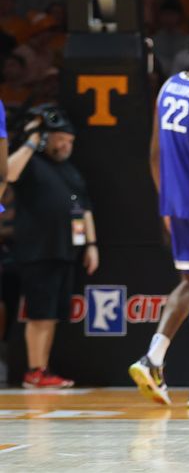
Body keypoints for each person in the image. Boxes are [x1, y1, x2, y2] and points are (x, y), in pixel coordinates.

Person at [128, 27, 189, 408]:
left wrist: (166, 203)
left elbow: (154, 153)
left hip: (174, 202)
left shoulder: (168, 86)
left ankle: (152, 357)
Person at [9, 106, 97, 388]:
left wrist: (91, 245)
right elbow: (8, 174)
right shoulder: (31, 162)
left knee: (53, 315)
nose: (66, 146)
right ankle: (34, 370)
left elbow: (83, 209)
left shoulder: (69, 170)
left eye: (70, 141)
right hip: (38, 249)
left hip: (65, 250)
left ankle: (42, 369)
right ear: (48, 139)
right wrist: (32, 140)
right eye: (61, 139)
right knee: (40, 313)